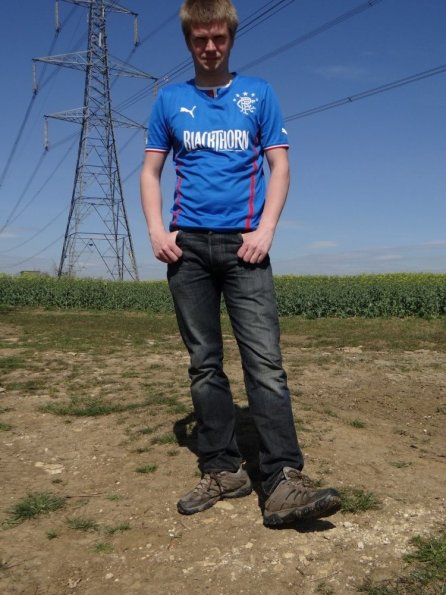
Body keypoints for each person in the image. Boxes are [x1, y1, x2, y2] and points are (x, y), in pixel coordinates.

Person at [140, 0, 341, 527]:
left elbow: (279, 166)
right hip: (188, 252)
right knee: (204, 364)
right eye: (200, 40)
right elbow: (150, 171)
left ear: (231, 37)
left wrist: (267, 229)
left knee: (265, 364)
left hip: (246, 246)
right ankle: (223, 469)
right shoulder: (169, 100)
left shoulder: (259, 94)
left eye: (218, 39)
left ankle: (282, 480)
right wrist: (158, 230)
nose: (210, 47)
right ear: (188, 41)